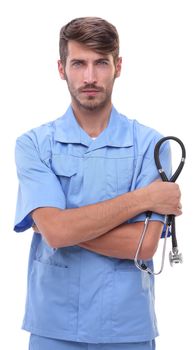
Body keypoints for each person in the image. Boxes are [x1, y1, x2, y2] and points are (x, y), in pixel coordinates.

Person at [14, 17, 182, 350]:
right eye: (78, 63)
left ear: (117, 66)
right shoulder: (34, 144)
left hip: (127, 329)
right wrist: (143, 198)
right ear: (61, 69)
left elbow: (143, 246)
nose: (90, 77)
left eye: (100, 63)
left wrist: (60, 225)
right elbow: (57, 232)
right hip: (53, 328)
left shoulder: (152, 146)